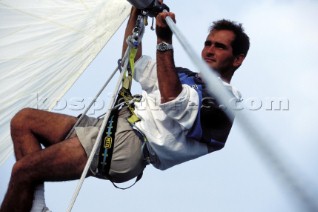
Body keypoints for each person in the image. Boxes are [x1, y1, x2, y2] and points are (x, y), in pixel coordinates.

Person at [0, 3, 250, 212]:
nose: (209, 50)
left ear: (237, 59)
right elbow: (136, 61)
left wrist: (163, 39)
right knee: (24, 121)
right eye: (208, 43)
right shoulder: (184, 76)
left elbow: (173, 101)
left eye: (220, 46)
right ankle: (36, 206)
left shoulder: (225, 101)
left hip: (128, 143)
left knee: (23, 171)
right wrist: (137, 10)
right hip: (111, 125)